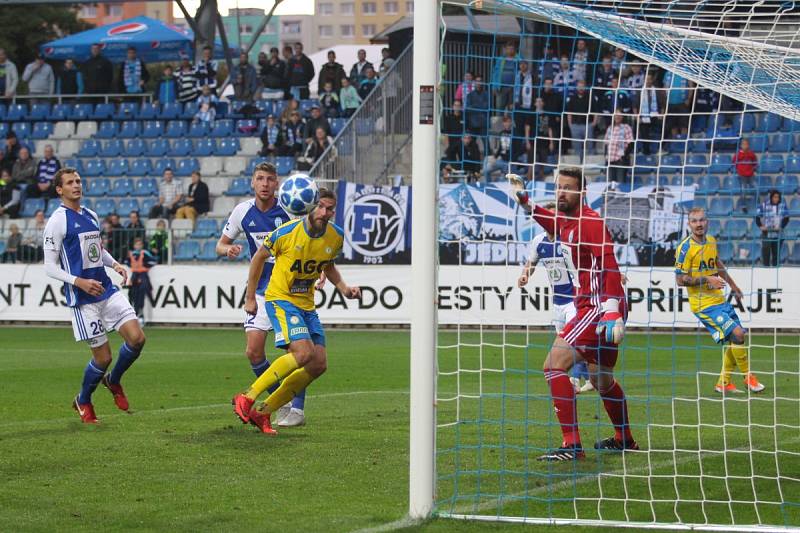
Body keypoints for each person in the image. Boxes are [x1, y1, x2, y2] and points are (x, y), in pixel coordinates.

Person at [514, 167, 637, 460]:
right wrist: (528, 204)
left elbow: (609, 264)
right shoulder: (567, 221)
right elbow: (554, 222)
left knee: (553, 364)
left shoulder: (591, 223)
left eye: (568, 188)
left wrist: (610, 312)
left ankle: (571, 445)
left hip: (597, 306)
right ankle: (624, 439)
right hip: (599, 304)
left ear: (583, 193)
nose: (561, 192)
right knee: (601, 379)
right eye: (559, 187)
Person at [232, 187, 360, 435]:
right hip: (280, 298)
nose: (325, 212)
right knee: (303, 353)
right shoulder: (286, 233)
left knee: (318, 364)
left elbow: (328, 263)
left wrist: (344, 287)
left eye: (330, 209)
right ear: (311, 206)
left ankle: (263, 413)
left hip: (306, 304)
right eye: (321, 206)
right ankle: (248, 396)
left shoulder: (336, 236)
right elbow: (258, 258)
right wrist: (250, 297)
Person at [42, 168, 146, 423]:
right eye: (70, 182)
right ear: (59, 190)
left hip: (106, 289)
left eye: (78, 181)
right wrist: (79, 282)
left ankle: (114, 381)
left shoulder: (90, 215)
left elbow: (96, 250)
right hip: (83, 298)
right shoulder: (57, 221)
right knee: (104, 357)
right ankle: (84, 399)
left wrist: (114, 264)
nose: (76, 185)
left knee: (137, 339)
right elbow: (49, 266)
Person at [216, 162, 308, 427]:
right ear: (252, 183)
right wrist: (228, 250)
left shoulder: (290, 212)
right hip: (259, 290)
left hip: (289, 291)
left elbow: (306, 246)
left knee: (297, 351)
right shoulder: (242, 212)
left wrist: (319, 271)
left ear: (277, 184)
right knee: (254, 352)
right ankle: (283, 401)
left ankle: (297, 410)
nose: (265, 184)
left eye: (270, 179)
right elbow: (220, 245)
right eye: (260, 179)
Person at [675, 207, 764, 394]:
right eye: (694, 221)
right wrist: (707, 279)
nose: (699, 224)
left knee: (736, 338)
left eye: (702, 220)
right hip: (703, 305)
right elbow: (680, 280)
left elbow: (717, 264)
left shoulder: (711, 241)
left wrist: (733, 285)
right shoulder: (685, 248)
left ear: (707, 221)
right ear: (689, 224)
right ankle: (749, 378)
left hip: (719, 300)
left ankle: (723, 383)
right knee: (738, 334)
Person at [517, 228, 594, 393]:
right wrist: (525, 275)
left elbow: (590, 260)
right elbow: (531, 263)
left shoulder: (567, 240)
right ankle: (590, 378)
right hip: (557, 302)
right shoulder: (539, 241)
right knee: (568, 340)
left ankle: (574, 379)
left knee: (574, 341)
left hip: (574, 301)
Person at [125, 237, 157, 324]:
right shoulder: (132, 254)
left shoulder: (145, 253)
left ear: (142, 245)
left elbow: (153, 261)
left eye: (140, 244)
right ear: (134, 246)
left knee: (143, 291)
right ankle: (135, 314)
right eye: (137, 244)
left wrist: (146, 266)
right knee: (132, 294)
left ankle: (141, 314)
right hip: (134, 276)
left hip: (143, 275)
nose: (138, 246)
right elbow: (126, 262)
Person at [756, 189, 790, 267]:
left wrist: (781, 227)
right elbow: (757, 217)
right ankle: (766, 268)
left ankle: (775, 269)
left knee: (776, 253)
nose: (776, 199)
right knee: (766, 251)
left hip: (778, 233)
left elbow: (786, 218)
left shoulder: (782, 205)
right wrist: (761, 226)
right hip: (767, 232)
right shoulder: (764, 205)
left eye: (778, 197)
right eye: (774, 197)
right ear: (771, 197)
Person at [604, 113, 634, 183]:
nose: (617, 116)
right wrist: (605, 155)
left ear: (623, 116)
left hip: (621, 161)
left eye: (619, 115)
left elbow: (631, 143)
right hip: (610, 160)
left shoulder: (626, 127)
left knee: (620, 183)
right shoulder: (610, 128)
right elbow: (606, 143)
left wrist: (624, 156)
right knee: (610, 184)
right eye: (615, 115)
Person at [491, 41, 519, 111]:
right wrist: (494, 86)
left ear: (515, 50)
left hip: (513, 88)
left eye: (512, 49)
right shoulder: (500, 59)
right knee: (500, 108)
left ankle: (511, 121)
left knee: (512, 109)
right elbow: (495, 73)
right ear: (506, 49)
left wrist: (517, 55)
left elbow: (523, 64)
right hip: (501, 88)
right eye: (508, 49)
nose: (510, 50)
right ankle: (499, 122)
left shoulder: (518, 58)